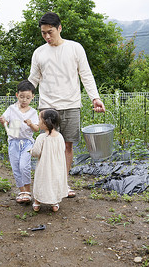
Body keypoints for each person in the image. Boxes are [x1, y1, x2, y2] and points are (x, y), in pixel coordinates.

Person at [28, 12, 106, 198]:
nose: (47, 36)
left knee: (67, 146)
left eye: (50, 31)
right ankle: (46, 185)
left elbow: (85, 74)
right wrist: (23, 102)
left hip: (71, 104)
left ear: (60, 28)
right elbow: (33, 79)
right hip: (47, 106)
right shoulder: (39, 52)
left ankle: (62, 184)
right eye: (43, 33)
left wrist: (95, 97)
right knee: (47, 146)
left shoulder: (75, 48)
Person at [0, 80, 39, 204]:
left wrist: (31, 124)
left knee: (24, 166)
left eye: (27, 97)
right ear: (17, 95)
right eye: (21, 97)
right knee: (16, 167)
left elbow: (37, 129)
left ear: (32, 97)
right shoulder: (12, 109)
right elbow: (4, 119)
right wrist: (3, 120)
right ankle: (22, 191)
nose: (24, 100)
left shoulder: (32, 112)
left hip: (27, 142)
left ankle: (27, 190)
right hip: (13, 142)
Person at [30, 109, 68, 212]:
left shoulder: (42, 137)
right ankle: (54, 203)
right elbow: (63, 150)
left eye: (39, 119)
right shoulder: (60, 136)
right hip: (57, 166)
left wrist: (31, 151)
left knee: (41, 182)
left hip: (44, 167)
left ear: (46, 122)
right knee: (54, 182)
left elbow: (36, 152)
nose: (38, 122)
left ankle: (37, 203)